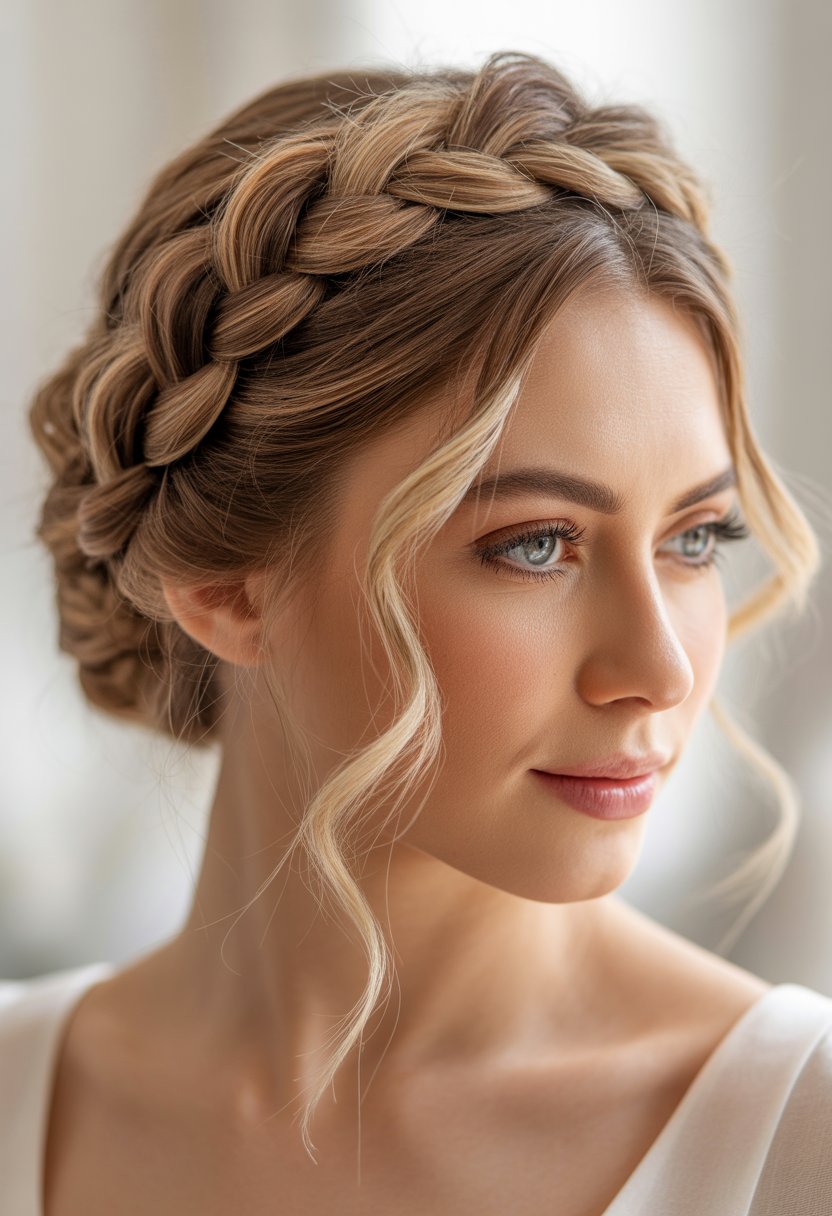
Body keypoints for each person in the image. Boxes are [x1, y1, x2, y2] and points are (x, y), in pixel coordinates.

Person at [2, 50, 830, 1216]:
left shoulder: (802, 1137)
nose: (662, 669)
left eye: (695, 538)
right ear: (226, 584)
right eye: (535, 544)